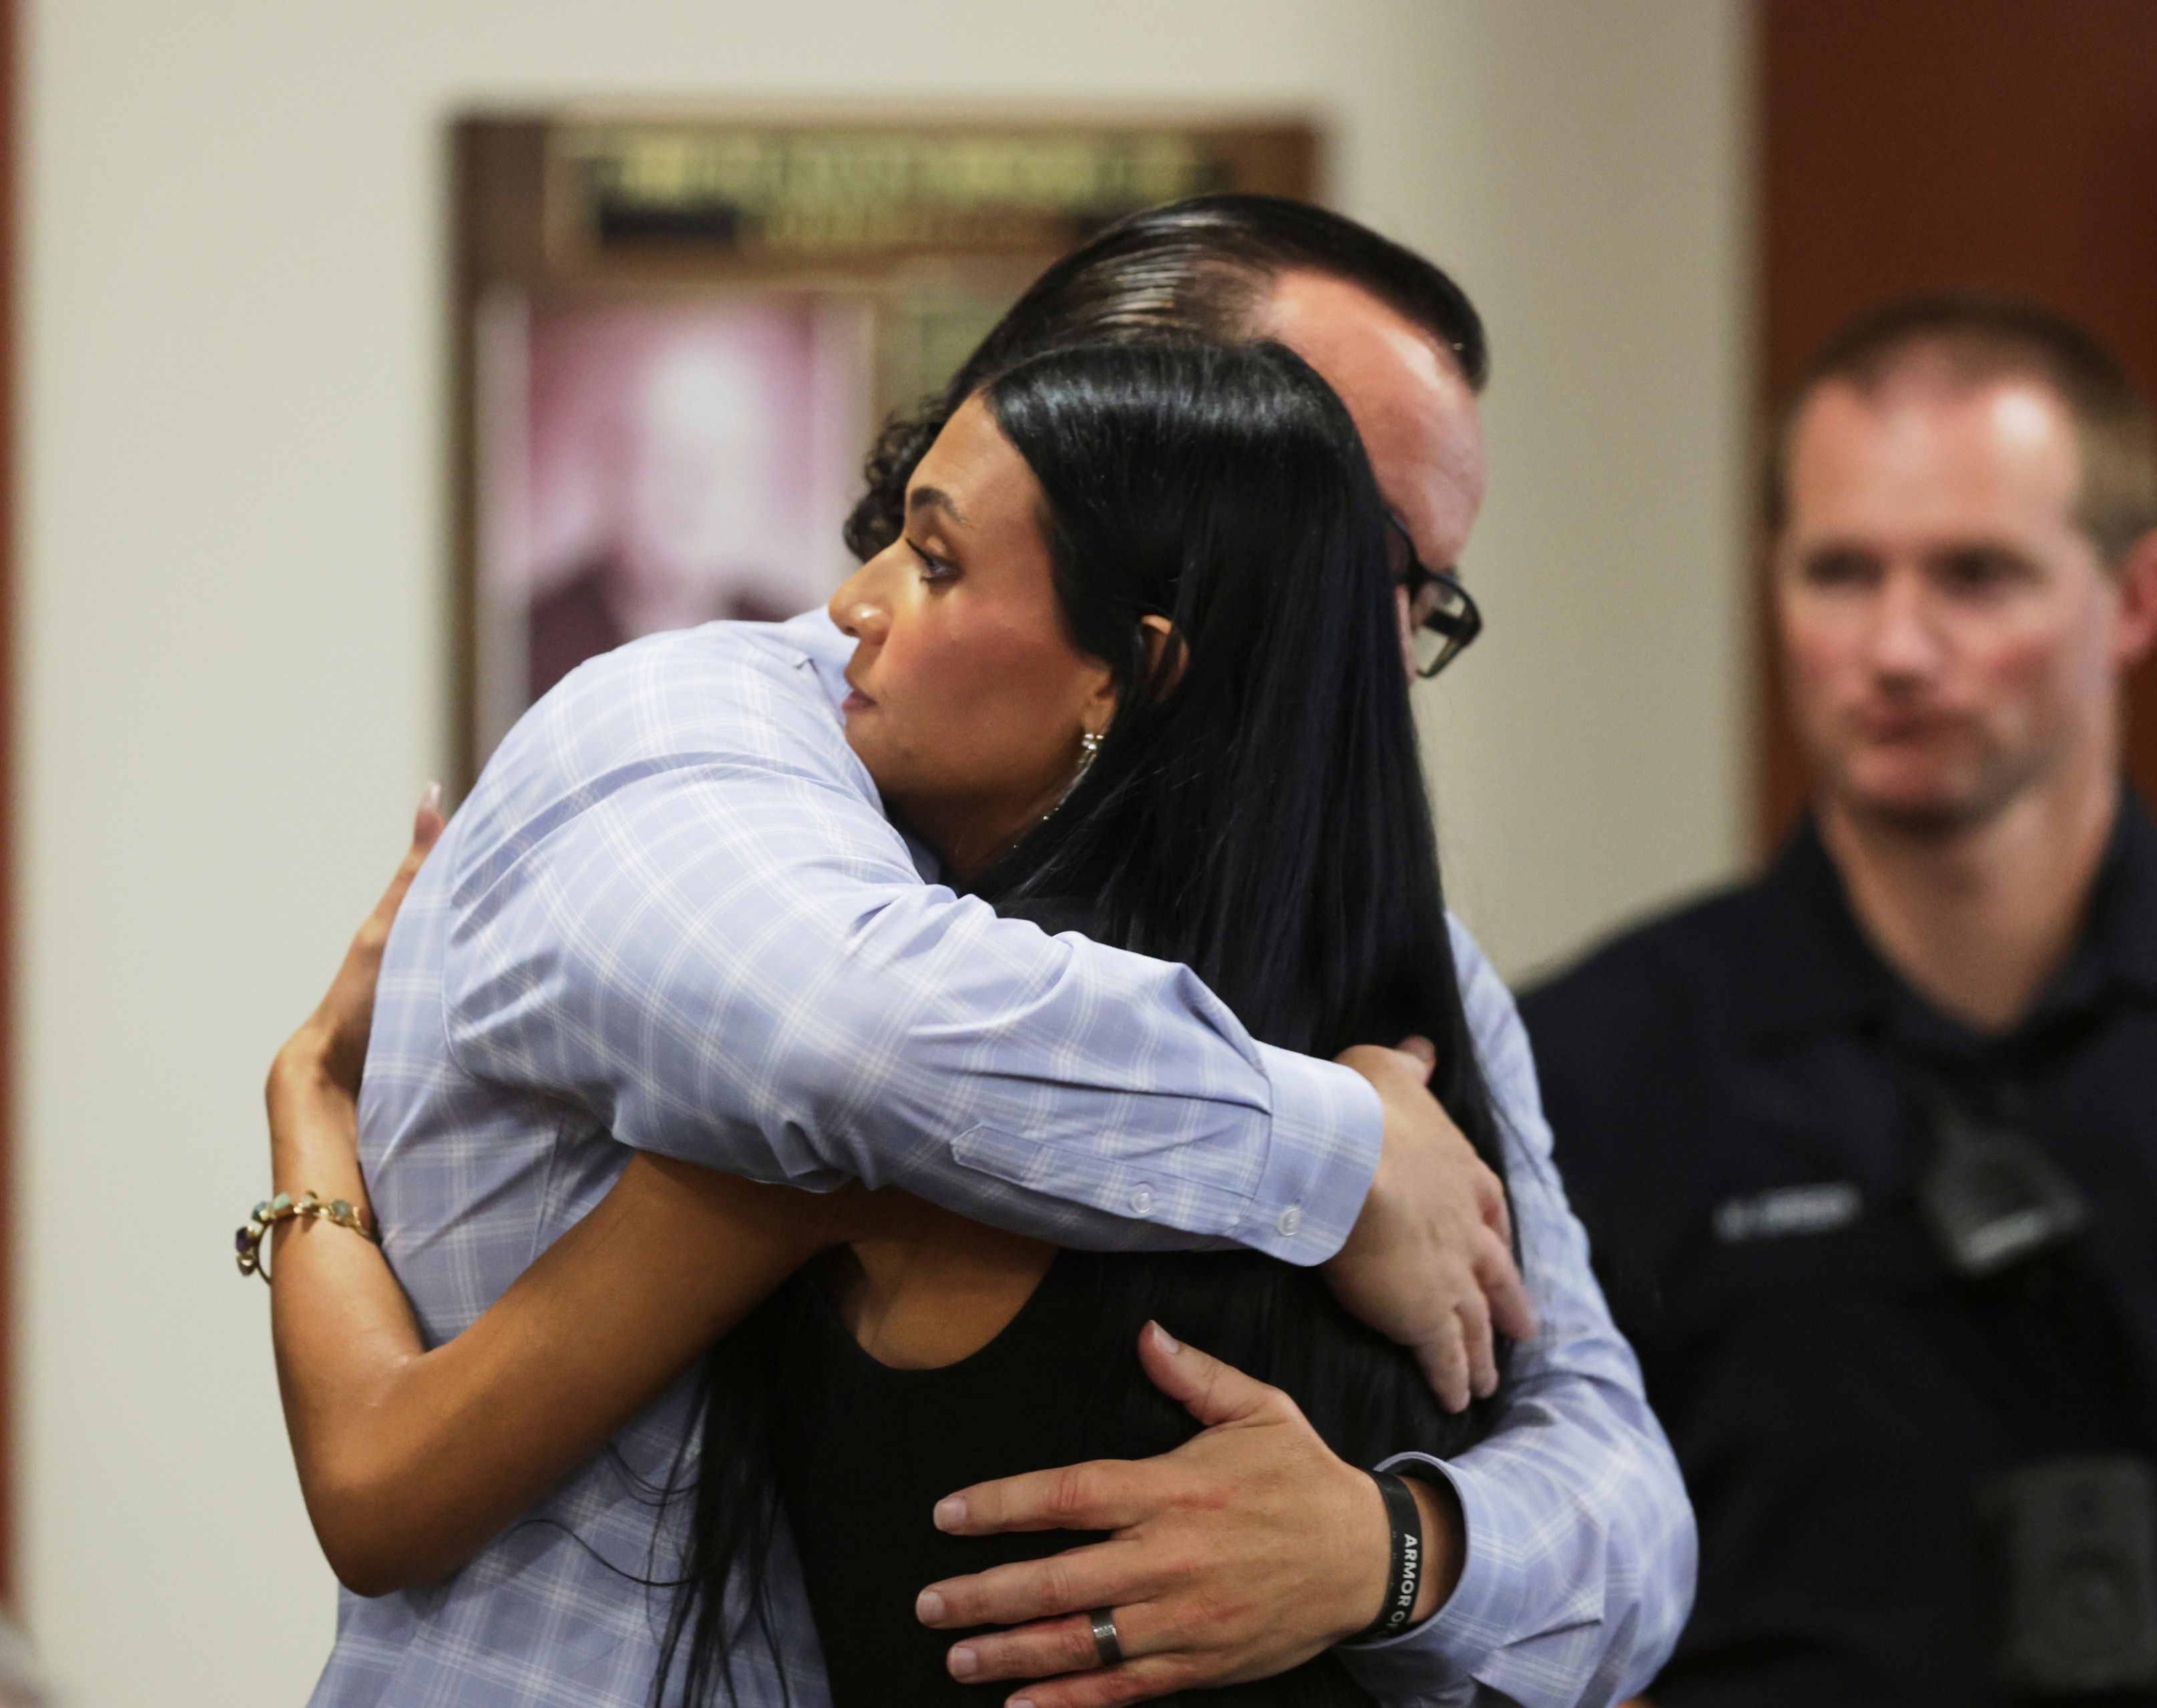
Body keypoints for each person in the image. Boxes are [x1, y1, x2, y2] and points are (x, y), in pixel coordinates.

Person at [263, 198, 1690, 1708]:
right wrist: (1337, 1149)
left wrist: (1397, 1546)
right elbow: (848, 1036)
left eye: (1407, 585)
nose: (1362, 634)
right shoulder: (713, 743)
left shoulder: (1404, 972)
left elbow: (1627, 1498)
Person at [1521, 292, 2157, 1706]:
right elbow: (1519, 1607)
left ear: (2139, 598)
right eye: (1840, 572)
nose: (1895, 646)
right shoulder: (1582, 1072)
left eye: (1976, 575)